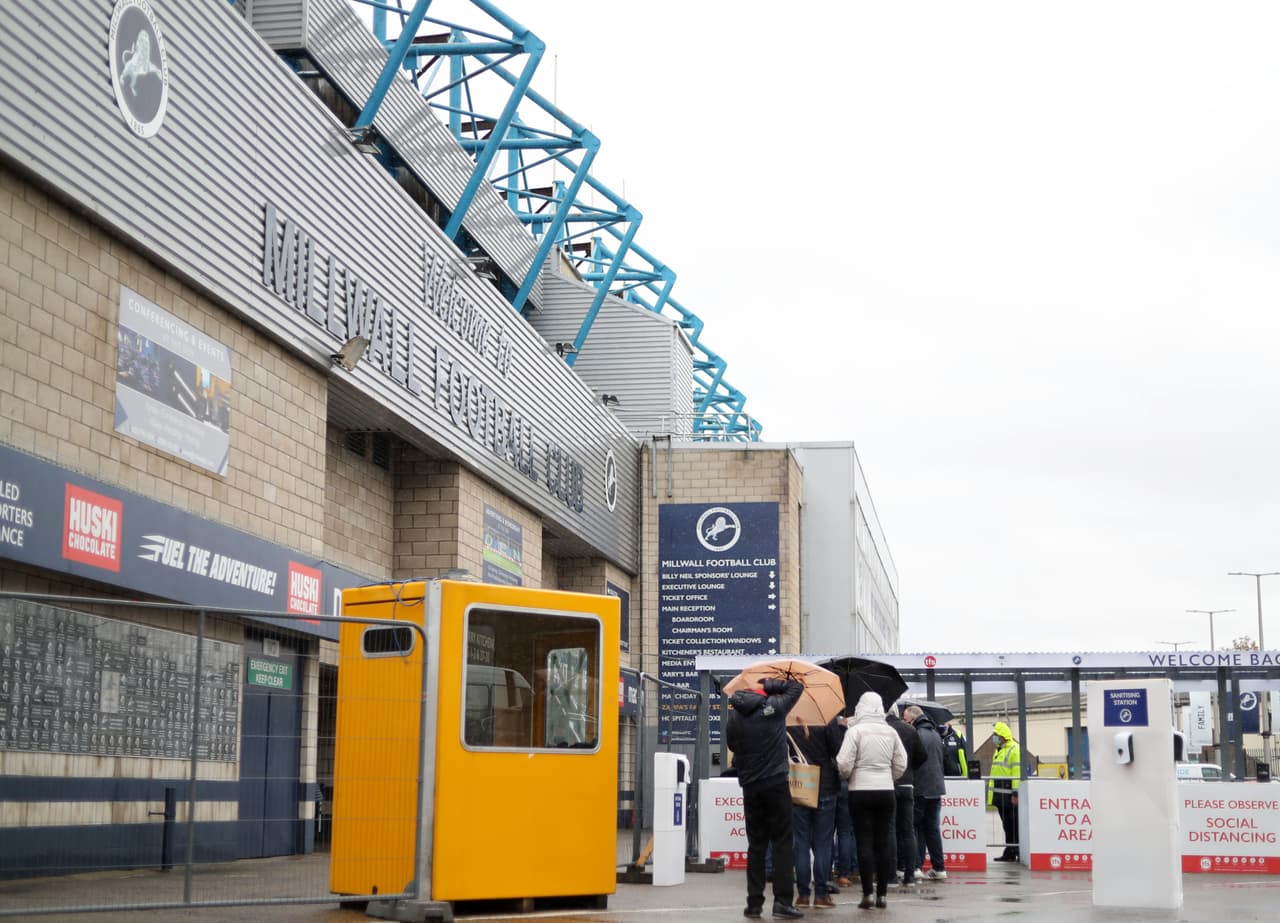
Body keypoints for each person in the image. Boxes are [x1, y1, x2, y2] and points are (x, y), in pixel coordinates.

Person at [726, 677, 806, 919]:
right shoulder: (774, 707)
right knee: (782, 842)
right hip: (776, 782)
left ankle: (754, 904)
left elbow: (733, 745)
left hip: (750, 786)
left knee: (756, 845)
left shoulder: (735, 716)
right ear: (765, 692)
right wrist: (772, 684)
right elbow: (797, 687)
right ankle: (782, 902)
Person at [836, 692, 907, 910]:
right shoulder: (891, 732)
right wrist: (888, 777)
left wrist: (851, 776)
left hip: (860, 790)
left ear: (860, 708)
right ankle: (882, 895)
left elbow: (843, 763)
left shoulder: (855, 731)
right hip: (886, 791)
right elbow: (901, 763)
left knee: (864, 841)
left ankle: (867, 893)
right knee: (883, 841)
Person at [788, 717, 843, 908]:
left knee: (801, 842)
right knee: (823, 843)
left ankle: (803, 895)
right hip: (825, 785)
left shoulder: (789, 719)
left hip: (800, 784)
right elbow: (838, 751)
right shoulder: (826, 718)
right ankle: (821, 894)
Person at [903, 705, 947, 880]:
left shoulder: (916, 734)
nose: (905, 723)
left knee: (915, 828)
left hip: (920, 786)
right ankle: (939, 868)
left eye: (906, 720)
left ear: (913, 719)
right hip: (936, 788)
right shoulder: (935, 734)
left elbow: (913, 761)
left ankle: (916, 867)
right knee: (932, 829)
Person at [886, 705, 927, 886]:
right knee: (908, 830)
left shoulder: (883, 729)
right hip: (907, 784)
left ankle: (891, 875)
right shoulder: (910, 729)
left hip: (888, 784)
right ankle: (910, 874)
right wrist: (909, 769)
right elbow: (922, 755)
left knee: (890, 829)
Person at [987, 721, 1022, 862]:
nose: (994, 737)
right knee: (1007, 825)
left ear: (1002, 735)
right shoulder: (999, 750)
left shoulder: (1015, 749)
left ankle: (1016, 850)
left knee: (1013, 825)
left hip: (1009, 795)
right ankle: (1010, 851)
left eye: (995, 734)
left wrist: (1015, 793)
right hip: (1000, 794)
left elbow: (1016, 772)